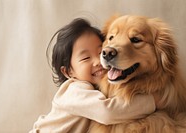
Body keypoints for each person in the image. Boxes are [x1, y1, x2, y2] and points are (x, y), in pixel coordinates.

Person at [29, 18, 157, 133]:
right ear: (68, 72)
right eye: (85, 58)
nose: (97, 61)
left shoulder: (95, 88)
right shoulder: (75, 90)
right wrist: (154, 101)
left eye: (101, 53)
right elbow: (108, 112)